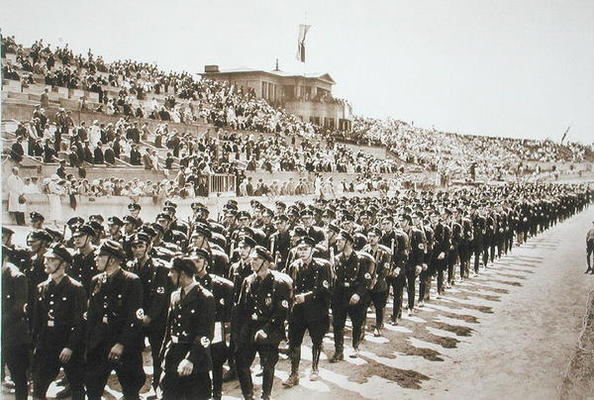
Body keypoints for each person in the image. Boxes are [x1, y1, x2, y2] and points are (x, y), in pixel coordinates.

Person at [84, 240, 145, 400]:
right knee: (92, 389)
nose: (96, 259)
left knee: (131, 390)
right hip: (99, 343)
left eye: (99, 257)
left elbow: (135, 318)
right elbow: (92, 315)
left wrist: (121, 344)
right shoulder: (96, 280)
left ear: (111, 260)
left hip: (125, 346)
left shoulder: (131, 281)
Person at [235, 246, 292, 400]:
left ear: (266, 263)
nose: (252, 262)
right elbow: (242, 308)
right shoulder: (248, 281)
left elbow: (281, 312)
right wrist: (238, 332)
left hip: (270, 327)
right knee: (241, 362)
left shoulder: (278, 284)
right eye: (252, 259)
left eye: (256, 259)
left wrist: (266, 329)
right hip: (250, 327)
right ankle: (248, 395)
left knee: (267, 364)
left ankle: (266, 395)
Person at [31, 243, 86, 400]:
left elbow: (80, 322)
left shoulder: (76, 288)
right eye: (46, 258)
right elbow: (37, 321)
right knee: (39, 388)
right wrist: (36, 345)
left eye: (52, 259)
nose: (46, 262)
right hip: (47, 344)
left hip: (68, 345)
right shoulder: (41, 287)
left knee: (77, 388)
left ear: (64, 264)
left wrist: (70, 346)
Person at [160, 257, 215, 400]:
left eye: (172, 271)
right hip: (173, 356)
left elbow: (205, 335)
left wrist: (191, 359)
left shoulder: (205, 297)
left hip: (195, 362)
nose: (169, 275)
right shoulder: (175, 295)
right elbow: (169, 328)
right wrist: (163, 355)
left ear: (182, 274)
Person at [283, 236, 332, 386]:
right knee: (294, 341)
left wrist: (308, 297)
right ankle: (294, 373)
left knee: (316, 340)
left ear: (312, 250)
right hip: (297, 311)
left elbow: (326, 288)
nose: (302, 252)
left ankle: (315, 368)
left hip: (316, 310)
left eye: (305, 249)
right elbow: (289, 287)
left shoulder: (323, 266)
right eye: (300, 249)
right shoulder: (293, 266)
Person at [127, 232, 171, 396]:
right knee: (133, 353)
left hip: (155, 318)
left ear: (148, 247)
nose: (137, 250)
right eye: (134, 247)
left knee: (157, 354)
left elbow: (161, 296)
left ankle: (157, 386)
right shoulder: (131, 266)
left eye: (141, 246)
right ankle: (135, 386)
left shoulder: (158, 268)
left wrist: (150, 316)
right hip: (137, 317)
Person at [192, 249, 234, 400]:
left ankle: (217, 393)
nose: (195, 264)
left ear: (206, 263)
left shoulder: (219, 285)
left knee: (216, 362)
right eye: (192, 261)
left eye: (198, 261)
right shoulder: (187, 282)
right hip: (194, 328)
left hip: (215, 328)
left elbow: (226, 311)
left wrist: (226, 330)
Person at [330, 230, 372, 361]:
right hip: (340, 295)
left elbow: (366, 279)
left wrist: (358, 294)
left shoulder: (360, 260)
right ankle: (339, 351)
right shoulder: (337, 259)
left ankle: (355, 346)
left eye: (340, 241)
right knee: (338, 324)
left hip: (355, 295)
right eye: (337, 241)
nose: (337, 243)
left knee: (357, 323)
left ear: (348, 242)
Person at [2, 244, 30, 400]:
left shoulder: (16, 277)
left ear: (5, 257)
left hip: (13, 335)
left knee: (19, 377)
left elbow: (18, 308)